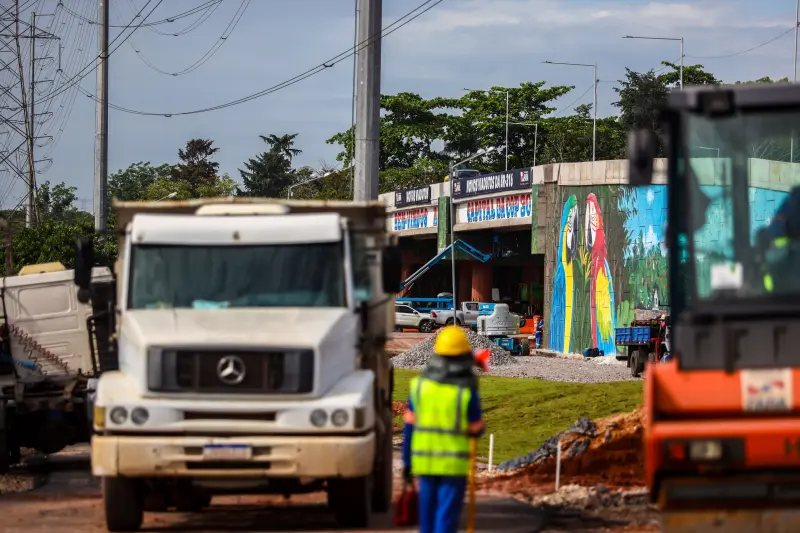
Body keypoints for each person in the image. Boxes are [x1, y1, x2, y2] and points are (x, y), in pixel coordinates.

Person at [402, 326, 486, 533]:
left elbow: (409, 428)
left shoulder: (419, 387)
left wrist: (406, 462)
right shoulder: (465, 390)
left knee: (427, 517)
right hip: (452, 465)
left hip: (425, 462)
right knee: (446, 517)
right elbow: (476, 427)